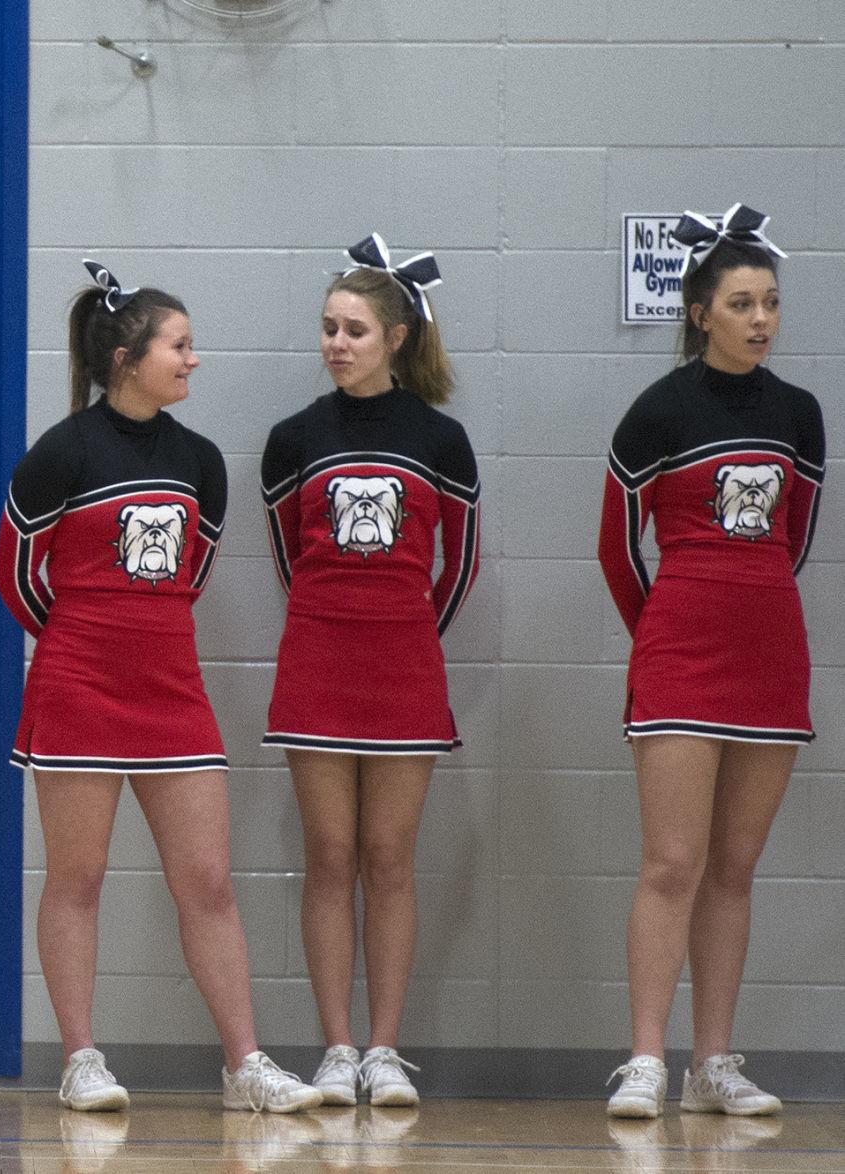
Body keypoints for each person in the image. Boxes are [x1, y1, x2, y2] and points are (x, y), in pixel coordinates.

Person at [0, 259, 319, 1115]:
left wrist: (141, 641)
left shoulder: (200, 462)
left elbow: (189, 573)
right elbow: (14, 577)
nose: (193, 360)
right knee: (78, 878)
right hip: (76, 690)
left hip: (171, 693)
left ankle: (244, 1062)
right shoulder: (58, 454)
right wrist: (81, 641)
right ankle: (81, 1058)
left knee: (207, 880)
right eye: (179, 345)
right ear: (126, 358)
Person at [599, 204, 819, 1120]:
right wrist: (662, 635)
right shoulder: (657, 411)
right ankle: (646, 1058)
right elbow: (616, 550)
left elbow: (793, 539)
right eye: (741, 303)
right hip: (680, 651)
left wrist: (747, 610)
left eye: (769, 302)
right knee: (672, 863)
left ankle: (713, 1061)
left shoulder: (799, 414)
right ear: (699, 312)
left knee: (735, 865)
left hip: (770, 652)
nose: (760, 319)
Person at [260, 235, 479, 1108]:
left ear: (395, 337)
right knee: (330, 855)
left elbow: (457, 568)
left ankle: (385, 1049)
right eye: (326, 328)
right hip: (316, 661)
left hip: (404, 667)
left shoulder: (441, 440)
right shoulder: (293, 439)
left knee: (389, 857)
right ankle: (337, 1049)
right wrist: (333, 620)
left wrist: (407, 633)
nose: (335, 343)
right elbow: (287, 558)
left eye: (352, 329)